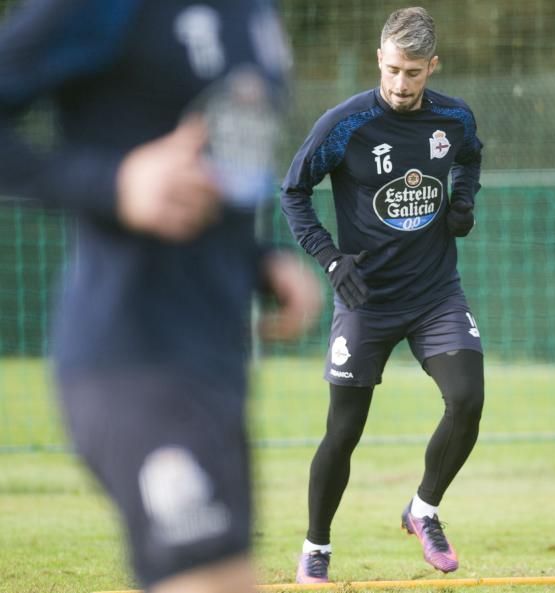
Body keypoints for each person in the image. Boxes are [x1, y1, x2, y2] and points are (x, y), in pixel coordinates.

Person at [0, 1, 323, 592]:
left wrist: (261, 260)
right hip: (132, 358)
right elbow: (132, 174)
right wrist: (114, 184)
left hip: (213, 369)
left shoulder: (253, 12)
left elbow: (215, 164)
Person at [280, 7, 484, 583]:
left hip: (436, 293)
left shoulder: (453, 117)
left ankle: (423, 509)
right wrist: (330, 258)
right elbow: (294, 192)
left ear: (432, 67)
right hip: (365, 300)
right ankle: (317, 546)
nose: (401, 84)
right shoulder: (343, 125)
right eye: (393, 69)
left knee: (467, 399)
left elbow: (471, 156)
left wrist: (463, 200)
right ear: (379, 59)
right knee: (344, 431)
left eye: (414, 72)